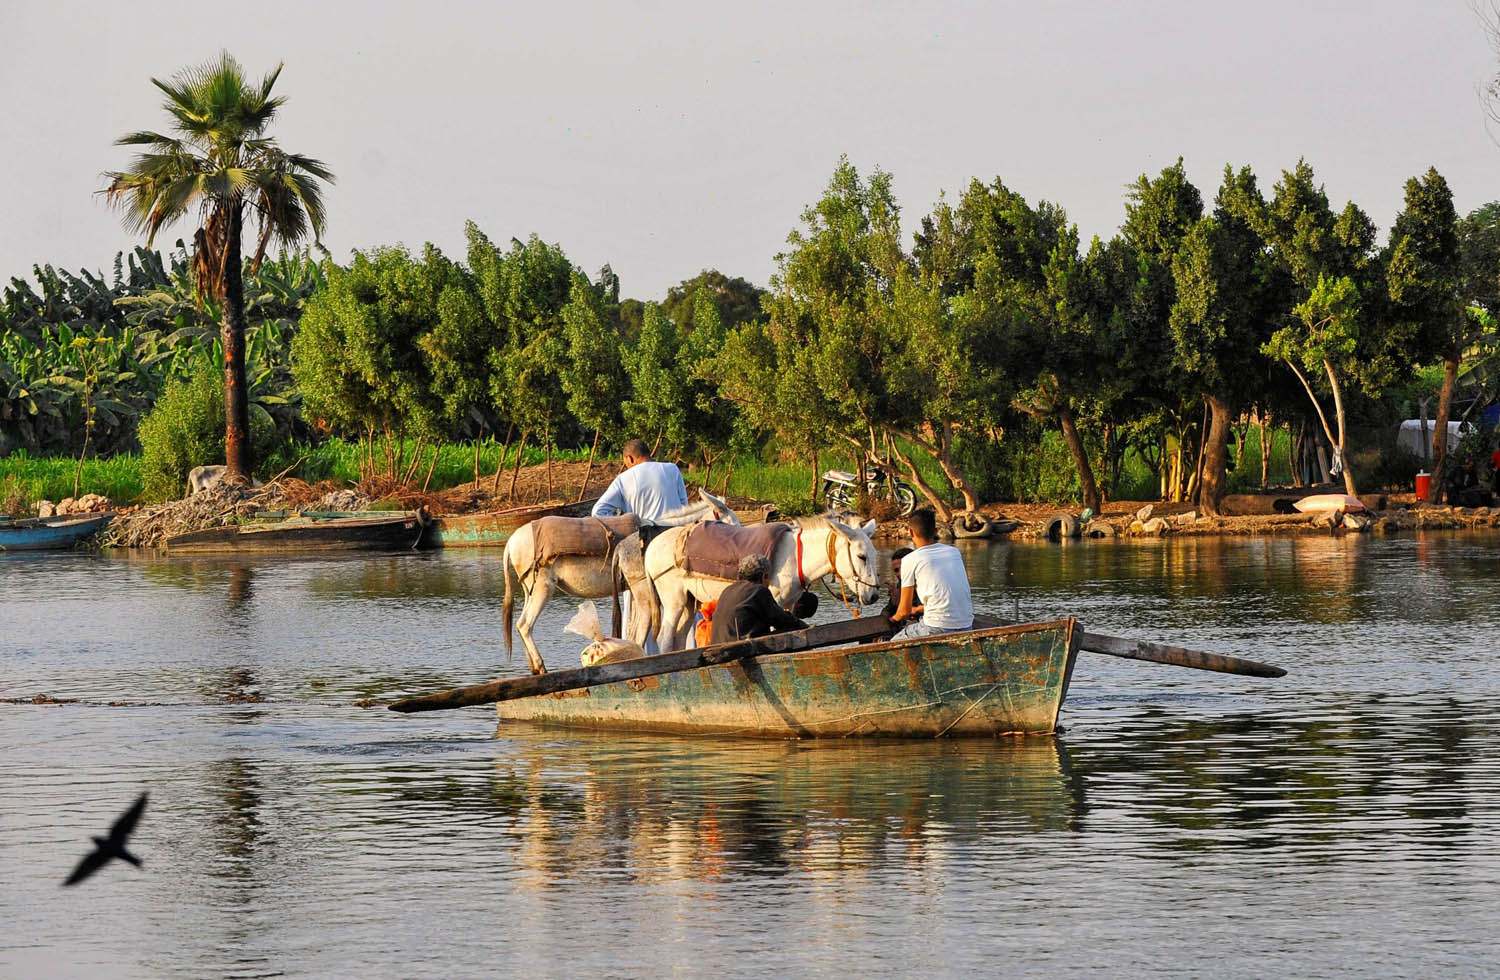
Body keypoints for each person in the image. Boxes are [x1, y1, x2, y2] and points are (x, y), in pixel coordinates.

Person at [890, 508, 973, 640]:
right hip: (967, 625)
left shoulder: (910, 559)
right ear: (935, 532)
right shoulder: (954, 552)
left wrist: (892, 620)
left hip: (935, 627)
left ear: (910, 532)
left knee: (892, 644)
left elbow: (904, 612)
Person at [709, 555, 808, 645]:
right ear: (763, 576)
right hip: (740, 648)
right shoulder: (759, 591)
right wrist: (802, 625)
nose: (769, 582)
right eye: (767, 577)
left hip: (718, 645)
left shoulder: (728, 589)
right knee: (794, 630)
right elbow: (780, 619)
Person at [591, 438, 688, 524]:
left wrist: (622, 523)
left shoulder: (623, 479)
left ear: (630, 459)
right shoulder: (672, 468)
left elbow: (598, 512)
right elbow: (684, 504)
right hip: (676, 532)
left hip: (646, 536)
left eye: (626, 463)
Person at [880, 547, 913, 619]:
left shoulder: (925, 584)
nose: (899, 573)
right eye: (896, 570)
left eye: (904, 568)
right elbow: (888, 610)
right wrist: (894, 602)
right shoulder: (900, 585)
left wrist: (901, 603)